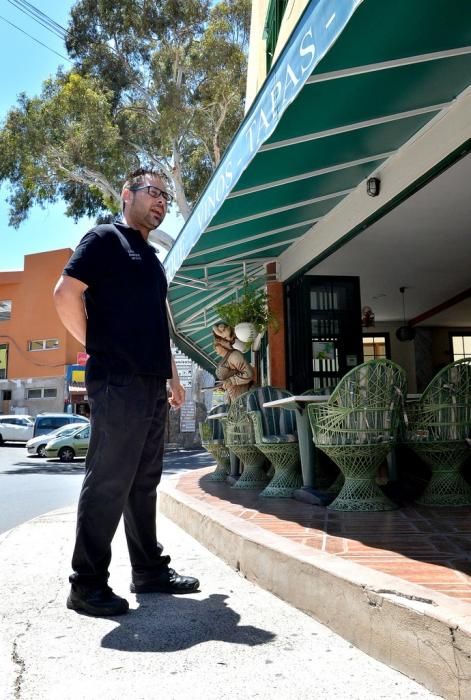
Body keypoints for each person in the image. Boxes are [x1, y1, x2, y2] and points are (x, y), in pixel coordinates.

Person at [53, 167, 199, 617]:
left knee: (143, 483)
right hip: (118, 380)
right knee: (109, 481)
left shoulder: (152, 259)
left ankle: (149, 570)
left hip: (152, 383)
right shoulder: (103, 239)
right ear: (126, 194)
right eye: (153, 192)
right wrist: (98, 346)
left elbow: (159, 326)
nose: (160, 202)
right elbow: (64, 294)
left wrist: (173, 377)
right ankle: (87, 583)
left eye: (164, 198)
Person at [212, 323, 254, 402]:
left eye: (217, 344)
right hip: (238, 400)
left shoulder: (234, 355)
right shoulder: (228, 357)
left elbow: (249, 374)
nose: (215, 348)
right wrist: (224, 386)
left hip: (247, 397)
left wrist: (232, 381)